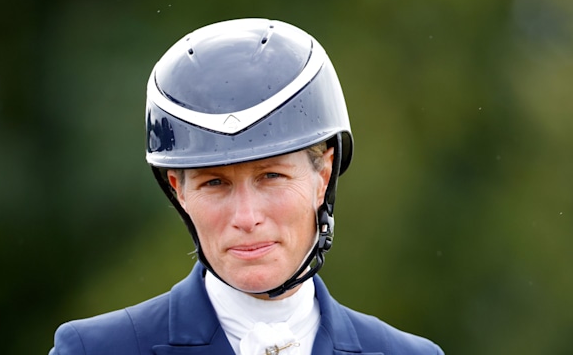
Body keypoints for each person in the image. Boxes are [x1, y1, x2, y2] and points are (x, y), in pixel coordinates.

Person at [49, 18, 444, 355]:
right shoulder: (94, 349)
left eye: (271, 176)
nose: (246, 217)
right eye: (215, 182)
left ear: (322, 177)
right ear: (179, 190)